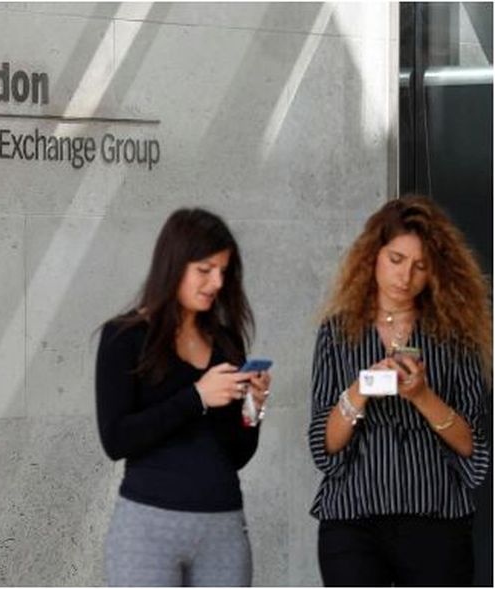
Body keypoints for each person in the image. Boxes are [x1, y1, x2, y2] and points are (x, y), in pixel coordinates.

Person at [308, 196, 490, 586]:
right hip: (352, 518)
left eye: (420, 266)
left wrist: (422, 395)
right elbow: (325, 445)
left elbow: (474, 446)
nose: (405, 276)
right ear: (372, 255)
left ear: (436, 273)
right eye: (396, 260)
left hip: (436, 517)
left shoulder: (456, 337)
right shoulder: (337, 333)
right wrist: (360, 390)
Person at [95, 208, 272, 586]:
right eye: (205, 270)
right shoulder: (124, 337)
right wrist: (196, 397)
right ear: (174, 264)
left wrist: (253, 407)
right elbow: (116, 439)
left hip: (223, 525)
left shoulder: (226, 341)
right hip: (147, 527)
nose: (216, 282)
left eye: (223, 272)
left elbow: (237, 453)